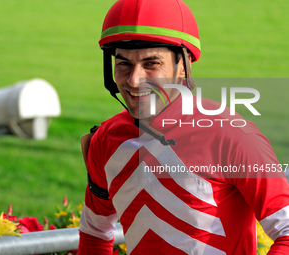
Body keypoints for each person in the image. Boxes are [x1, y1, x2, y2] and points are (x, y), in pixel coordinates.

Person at [78, 0, 289, 254]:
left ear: (183, 65)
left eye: (151, 64)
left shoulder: (233, 136)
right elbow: (95, 234)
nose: (134, 80)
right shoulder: (105, 139)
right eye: (123, 64)